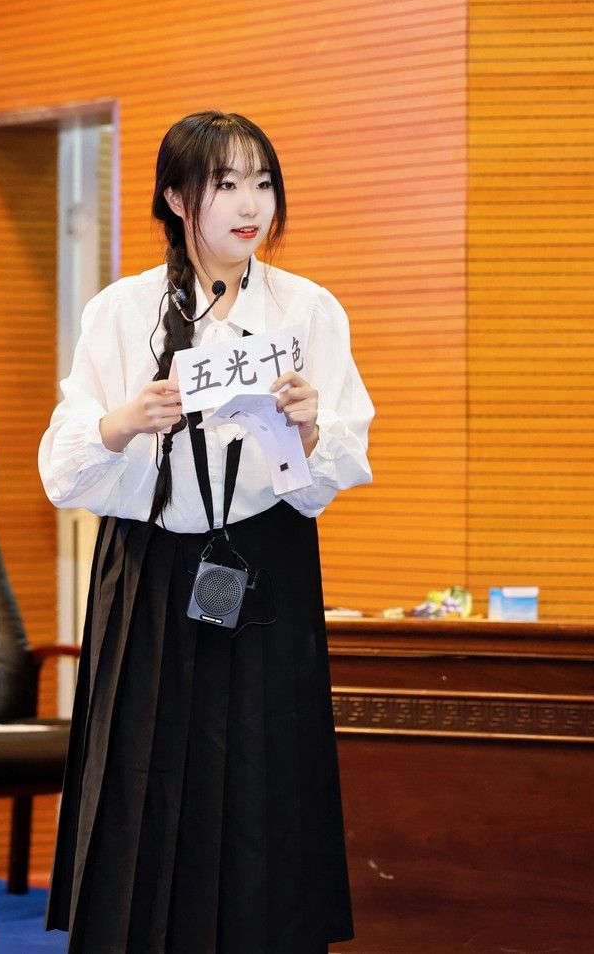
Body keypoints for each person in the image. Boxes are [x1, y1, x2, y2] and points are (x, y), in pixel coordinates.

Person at [39, 110, 373, 953]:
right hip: (148, 572)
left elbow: (340, 466)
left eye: (262, 183)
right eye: (225, 185)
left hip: (266, 569)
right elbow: (63, 471)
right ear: (175, 198)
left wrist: (310, 430)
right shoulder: (121, 312)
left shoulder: (308, 310)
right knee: (144, 794)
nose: (249, 204)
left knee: (264, 795)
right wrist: (124, 421)